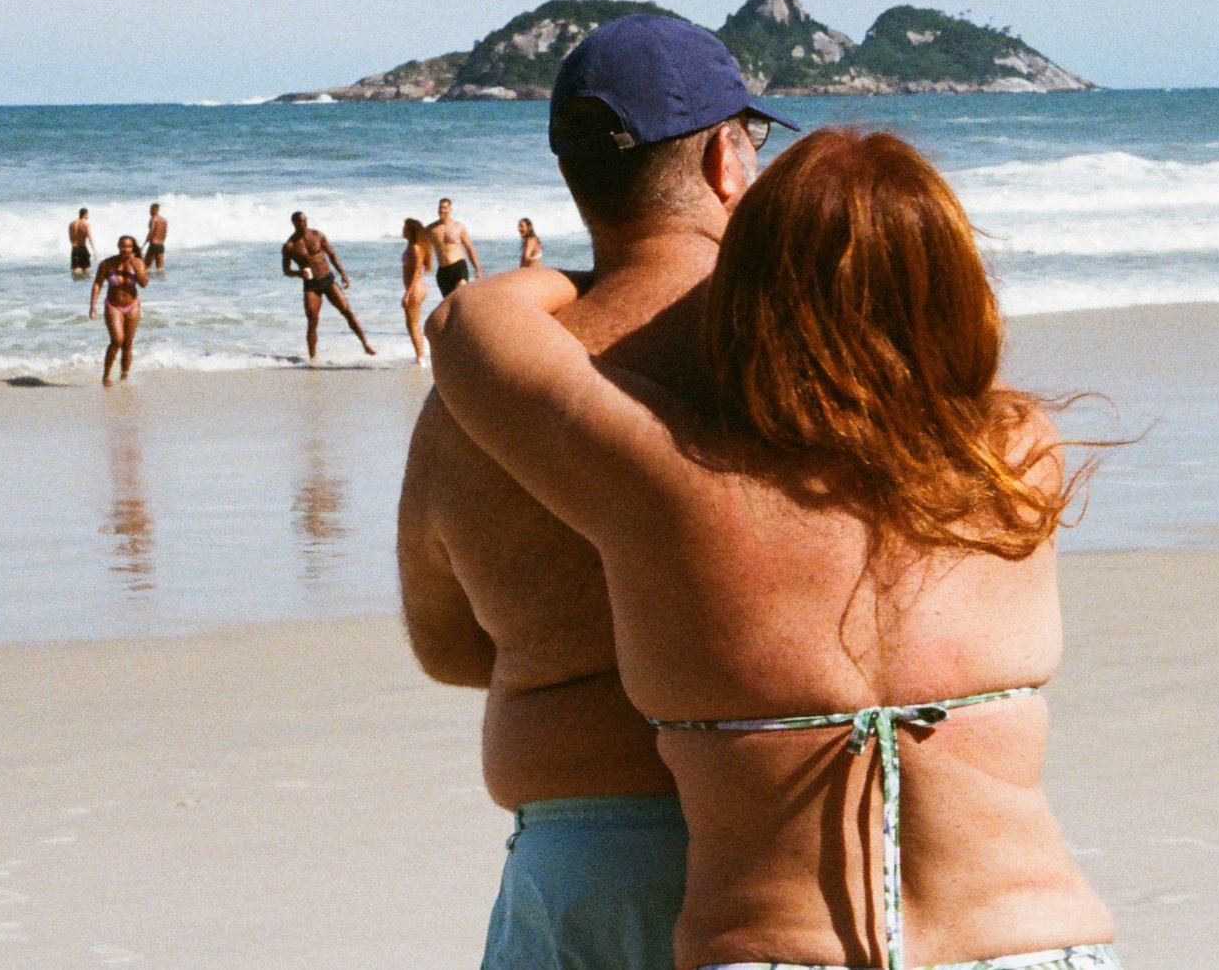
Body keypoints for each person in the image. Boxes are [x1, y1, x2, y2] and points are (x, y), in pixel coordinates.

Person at [428, 126, 1116, 970]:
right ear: (957, 292)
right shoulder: (1016, 458)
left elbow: (470, 324)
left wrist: (601, 274)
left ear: (748, 296)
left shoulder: (672, 490)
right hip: (1029, 946)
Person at [398, 15, 791, 970]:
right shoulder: (807, 350)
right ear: (725, 164)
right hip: (784, 842)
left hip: (579, 859)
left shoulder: (479, 393)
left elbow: (448, 648)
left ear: (579, 184)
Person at [284, 211, 375, 358]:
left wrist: (343, 275)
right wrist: (299, 273)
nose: (303, 224)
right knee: (312, 320)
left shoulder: (318, 235)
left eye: (304, 220)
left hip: (328, 279)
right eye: (299, 222)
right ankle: (312, 358)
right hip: (311, 285)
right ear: (293, 223)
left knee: (347, 312)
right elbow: (286, 270)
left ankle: (366, 345)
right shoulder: (290, 246)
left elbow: (332, 255)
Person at [88, 234, 147, 387]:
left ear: (132, 248)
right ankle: (106, 375)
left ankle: (124, 376)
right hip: (113, 305)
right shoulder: (107, 264)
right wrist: (93, 306)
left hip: (132, 305)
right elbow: (97, 284)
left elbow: (144, 283)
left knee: (127, 343)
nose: (125, 249)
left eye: (128, 246)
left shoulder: (138, 262)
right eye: (122, 246)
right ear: (118, 246)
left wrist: (135, 266)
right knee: (117, 340)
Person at [427, 197, 483, 296]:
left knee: (459, 296)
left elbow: (469, 248)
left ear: (450, 209)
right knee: (449, 303)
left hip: (459, 267)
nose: (441, 210)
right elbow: (421, 246)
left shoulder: (458, 227)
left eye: (444, 207)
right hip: (443, 271)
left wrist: (477, 269)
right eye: (440, 207)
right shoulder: (431, 229)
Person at [400, 217, 435, 364]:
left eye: (405, 228)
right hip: (417, 287)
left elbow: (417, 270)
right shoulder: (412, 246)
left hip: (416, 288)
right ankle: (420, 355)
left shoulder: (415, 247)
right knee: (412, 324)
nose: (402, 230)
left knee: (413, 324)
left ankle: (421, 357)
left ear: (411, 231)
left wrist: (408, 292)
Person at [68, 208, 93, 278]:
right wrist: (94, 250)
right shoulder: (85, 225)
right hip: (83, 248)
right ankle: (84, 286)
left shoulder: (71, 224)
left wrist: (74, 246)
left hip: (74, 248)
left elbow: (70, 237)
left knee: (75, 270)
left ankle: (75, 287)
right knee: (86, 270)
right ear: (86, 214)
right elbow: (89, 238)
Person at [145, 203, 168, 276]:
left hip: (153, 244)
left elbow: (151, 230)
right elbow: (165, 232)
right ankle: (160, 284)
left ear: (153, 210)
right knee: (160, 268)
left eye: (150, 210)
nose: (149, 212)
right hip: (161, 245)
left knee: (146, 266)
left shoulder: (153, 219)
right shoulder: (164, 220)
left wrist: (147, 239)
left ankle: (148, 283)